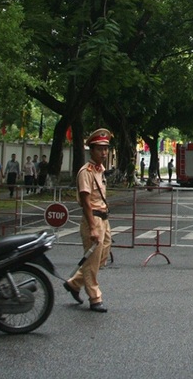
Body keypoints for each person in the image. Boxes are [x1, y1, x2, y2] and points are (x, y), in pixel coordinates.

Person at [64, 128, 114, 312]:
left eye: (106, 148)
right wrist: (93, 228)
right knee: (92, 261)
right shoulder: (86, 172)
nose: (104, 152)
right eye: (100, 149)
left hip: (104, 219)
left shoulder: (101, 170)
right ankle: (95, 298)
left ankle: (74, 283)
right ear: (91, 150)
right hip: (92, 219)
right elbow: (85, 202)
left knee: (102, 257)